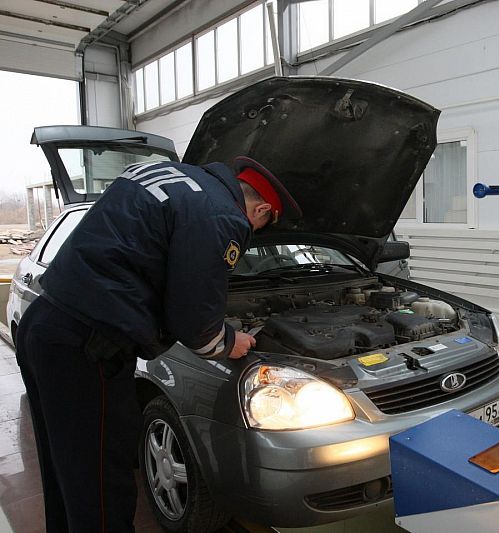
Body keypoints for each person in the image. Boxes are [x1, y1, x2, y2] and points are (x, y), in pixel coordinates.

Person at [15, 155, 302, 532]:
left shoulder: (168, 176)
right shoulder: (221, 216)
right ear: (261, 207)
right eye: (262, 224)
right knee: (102, 480)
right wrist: (231, 340)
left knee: (66, 467)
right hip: (87, 346)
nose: (254, 230)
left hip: (46, 324)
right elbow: (196, 324)